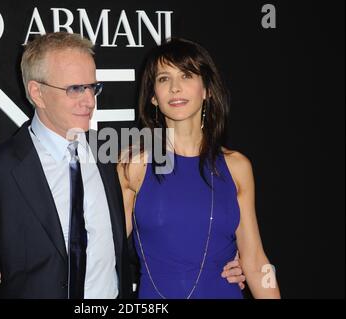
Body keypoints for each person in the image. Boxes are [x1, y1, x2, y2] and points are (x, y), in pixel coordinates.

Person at [0, 32, 244, 299]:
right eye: (75, 89)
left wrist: (222, 257)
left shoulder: (112, 157)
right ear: (37, 92)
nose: (89, 100)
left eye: (93, 87)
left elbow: (147, 235)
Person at [117, 38, 280, 299]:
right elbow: (103, 257)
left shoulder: (237, 166)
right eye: (163, 79)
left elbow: (257, 260)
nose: (175, 88)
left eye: (186, 75)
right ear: (153, 98)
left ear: (206, 90)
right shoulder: (133, 165)